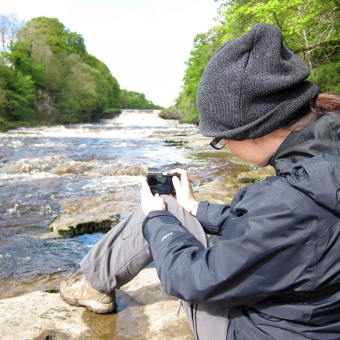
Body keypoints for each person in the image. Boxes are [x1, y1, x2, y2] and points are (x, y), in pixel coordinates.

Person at [60, 23, 340, 339]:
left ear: (253, 130)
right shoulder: (321, 163)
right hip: (314, 317)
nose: (226, 147)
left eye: (221, 138)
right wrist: (195, 208)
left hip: (263, 331)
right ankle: (95, 282)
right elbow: (277, 229)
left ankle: (93, 285)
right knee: (171, 204)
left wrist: (155, 220)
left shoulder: (287, 202)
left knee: (159, 210)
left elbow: (197, 280)